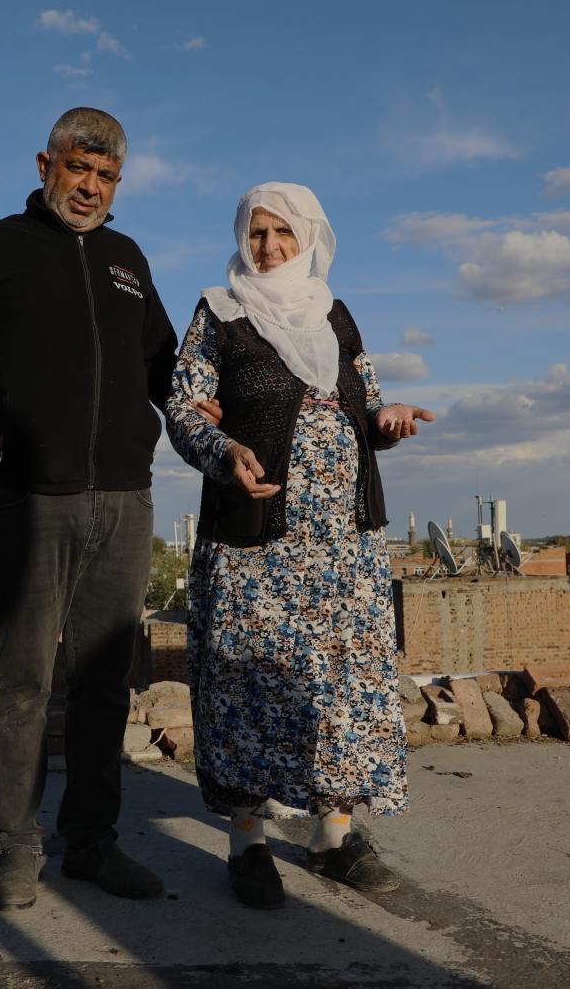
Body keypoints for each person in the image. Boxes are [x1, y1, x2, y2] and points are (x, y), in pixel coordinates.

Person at [0, 108, 178, 912]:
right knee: (23, 682)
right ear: (45, 165)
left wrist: (230, 433)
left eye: (106, 177)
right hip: (22, 500)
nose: (90, 188)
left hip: (124, 501)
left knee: (102, 684)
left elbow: (167, 368)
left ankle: (90, 845)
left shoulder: (128, 260)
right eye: (77, 171)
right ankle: (16, 850)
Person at [164, 182, 434, 909]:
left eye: (284, 233)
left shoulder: (334, 314)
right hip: (258, 544)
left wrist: (388, 418)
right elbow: (185, 411)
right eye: (257, 234)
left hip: (342, 547)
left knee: (339, 688)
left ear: (311, 237)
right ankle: (249, 845)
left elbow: (367, 401)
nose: (270, 248)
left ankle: (333, 838)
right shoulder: (218, 313)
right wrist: (225, 454)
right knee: (248, 686)